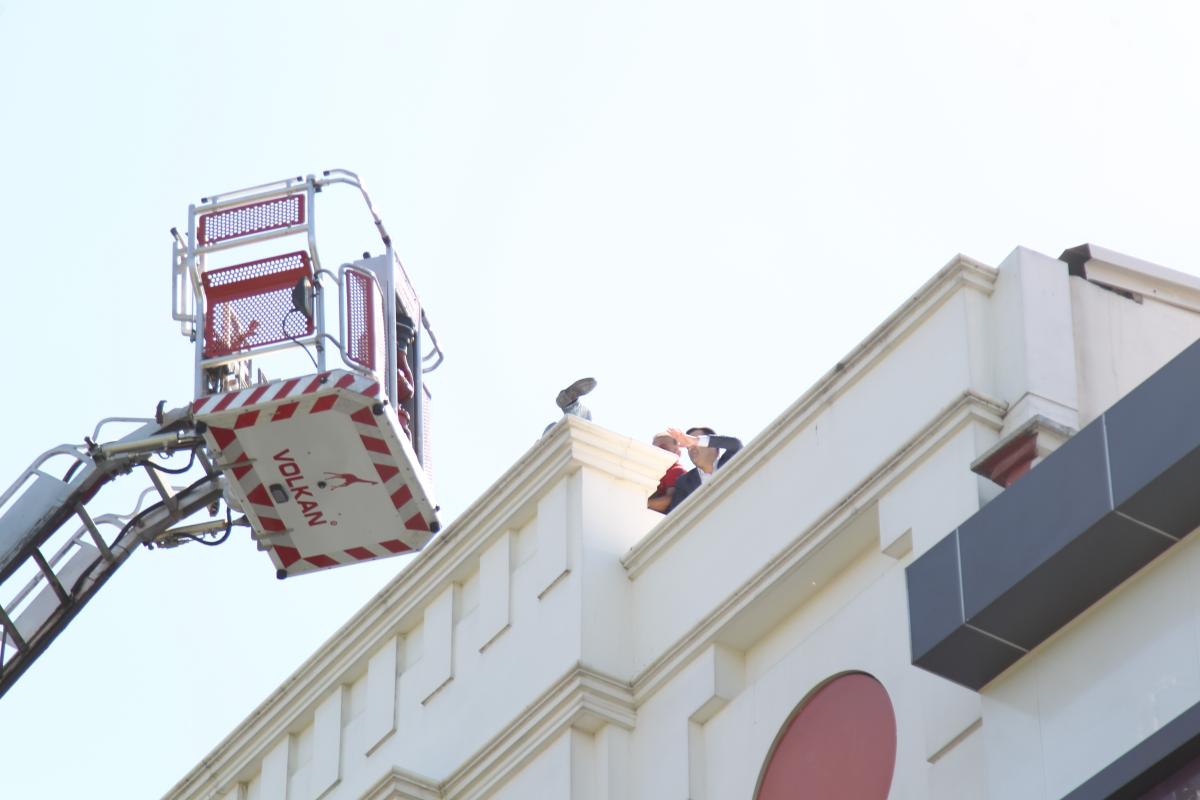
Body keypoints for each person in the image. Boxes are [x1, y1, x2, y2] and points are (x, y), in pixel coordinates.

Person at [665, 426, 743, 512]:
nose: (691, 448)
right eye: (688, 446)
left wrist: (695, 440)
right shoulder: (684, 482)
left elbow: (736, 444)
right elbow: (676, 514)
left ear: (714, 446)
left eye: (696, 444)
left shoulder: (730, 462)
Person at [648, 432, 687, 513]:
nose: (658, 452)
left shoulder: (675, 470)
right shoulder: (653, 472)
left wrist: (639, 504)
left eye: (663, 448)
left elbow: (668, 501)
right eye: (655, 449)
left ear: (677, 453)